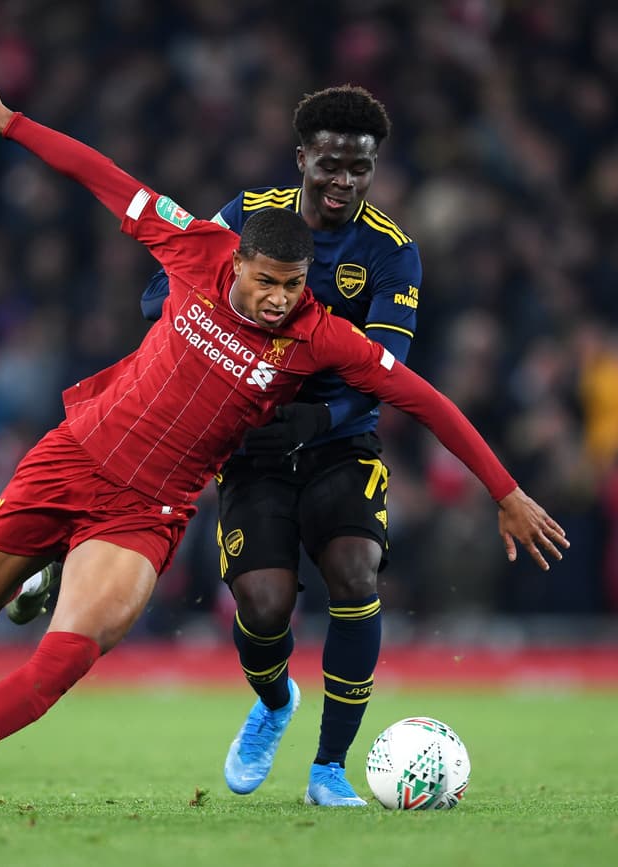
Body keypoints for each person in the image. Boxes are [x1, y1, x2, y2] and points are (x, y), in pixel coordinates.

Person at [0, 57, 567, 811]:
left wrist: (507, 490)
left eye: (294, 287)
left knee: (68, 654)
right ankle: (46, 566)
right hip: (74, 451)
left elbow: (425, 399)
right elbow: (102, 177)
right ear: (238, 259)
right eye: (266, 281)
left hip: (149, 509)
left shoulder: (324, 331)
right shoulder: (196, 246)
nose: (277, 300)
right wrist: (9, 123)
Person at [138, 86, 418, 805]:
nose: (344, 182)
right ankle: (273, 700)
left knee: (356, 573)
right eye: (330, 163)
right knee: (263, 607)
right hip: (254, 441)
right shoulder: (242, 216)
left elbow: (389, 370)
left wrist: (319, 420)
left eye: (360, 168)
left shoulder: (392, 253)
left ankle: (329, 767)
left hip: (340, 441)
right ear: (302, 158)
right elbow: (158, 291)